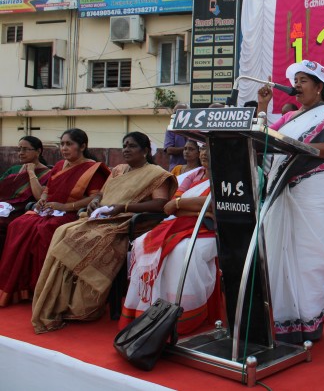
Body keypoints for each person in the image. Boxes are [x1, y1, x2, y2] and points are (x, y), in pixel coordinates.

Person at [256, 59, 324, 343]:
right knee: (281, 253)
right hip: (286, 190)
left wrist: (295, 146)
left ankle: (308, 323)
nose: (297, 85)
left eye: (304, 80)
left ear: (319, 88)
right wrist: (263, 106)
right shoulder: (291, 118)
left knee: (309, 258)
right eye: (296, 80)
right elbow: (264, 136)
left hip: (318, 193)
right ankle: (283, 323)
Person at [31, 132, 176, 333]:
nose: (126, 149)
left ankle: (84, 306)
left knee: (85, 239)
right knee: (63, 231)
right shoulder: (118, 169)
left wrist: (123, 207)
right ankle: (59, 301)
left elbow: (160, 204)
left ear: (145, 151)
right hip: (102, 217)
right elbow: (101, 193)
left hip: (125, 222)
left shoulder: (156, 174)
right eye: (124, 145)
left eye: (132, 146)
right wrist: (95, 202)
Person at [0, 129, 110, 307]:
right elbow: (48, 190)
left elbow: (95, 198)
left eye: (69, 144)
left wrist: (64, 207)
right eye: (62, 144)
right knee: (18, 224)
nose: (64, 148)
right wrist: (42, 201)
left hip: (74, 213)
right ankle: (20, 288)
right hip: (50, 210)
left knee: (44, 230)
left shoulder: (93, 169)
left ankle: (44, 289)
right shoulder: (59, 165)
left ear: (82, 146)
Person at [120, 143, 217, 335]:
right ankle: (149, 312)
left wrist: (181, 204)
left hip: (210, 229)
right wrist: (189, 206)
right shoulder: (193, 175)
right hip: (181, 224)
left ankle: (184, 314)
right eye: (203, 148)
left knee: (183, 252)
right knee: (144, 244)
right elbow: (170, 205)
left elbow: (215, 205)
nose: (205, 153)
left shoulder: (229, 176)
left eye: (210, 148)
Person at [0, 137, 52, 254]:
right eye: (19, 149)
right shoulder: (14, 169)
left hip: (22, 210)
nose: (21, 153)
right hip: (4, 207)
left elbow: (39, 196)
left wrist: (31, 172)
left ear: (38, 151)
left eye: (25, 149)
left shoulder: (47, 173)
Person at [164, 103, 189, 170]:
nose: (178, 116)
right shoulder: (171, 129)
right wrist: (189, 149)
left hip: (194, 169)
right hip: (176, 169)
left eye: (182, 113)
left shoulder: (195, 128)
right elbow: (169, 150)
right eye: (176, 113)